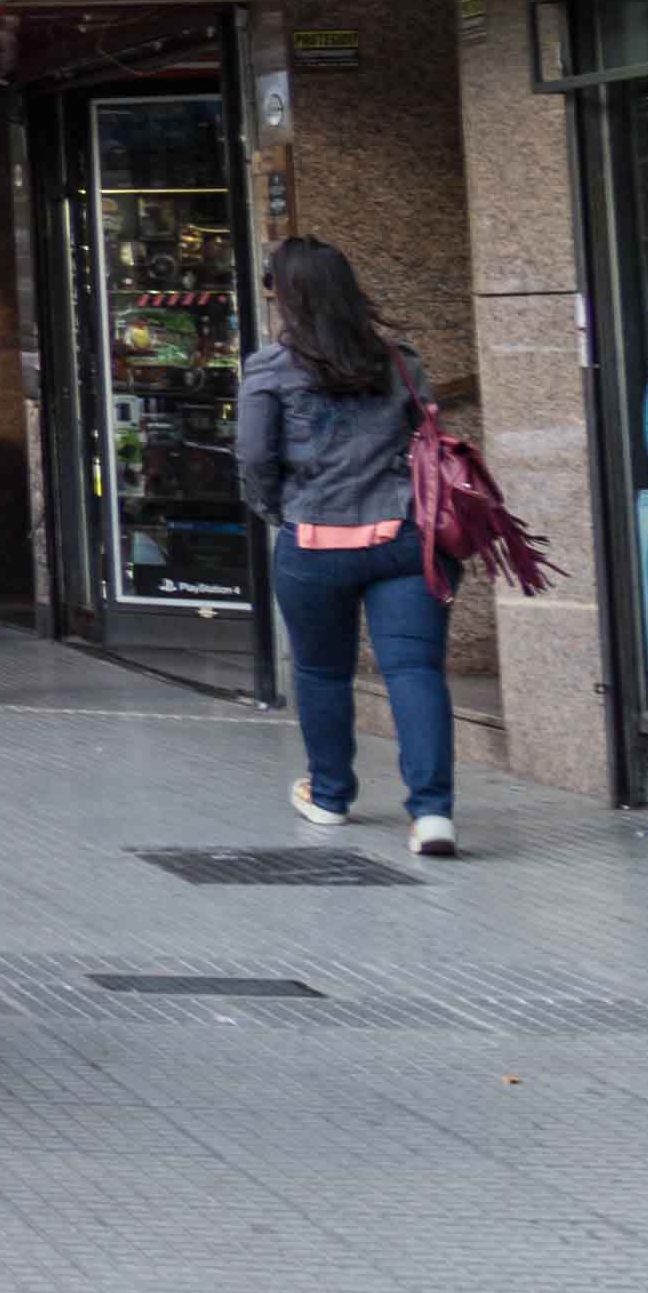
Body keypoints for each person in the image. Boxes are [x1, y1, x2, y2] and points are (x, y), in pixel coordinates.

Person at [241, 235, 458, 856]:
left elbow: (255, 457)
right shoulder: (401, 361)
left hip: (314, 543)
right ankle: (433, 813)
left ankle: (331, 795)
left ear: (286, 296)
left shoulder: (270, 369)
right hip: (404, 542)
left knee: (321, 671)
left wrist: (277, 510)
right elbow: (427, 442)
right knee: (415, 671)